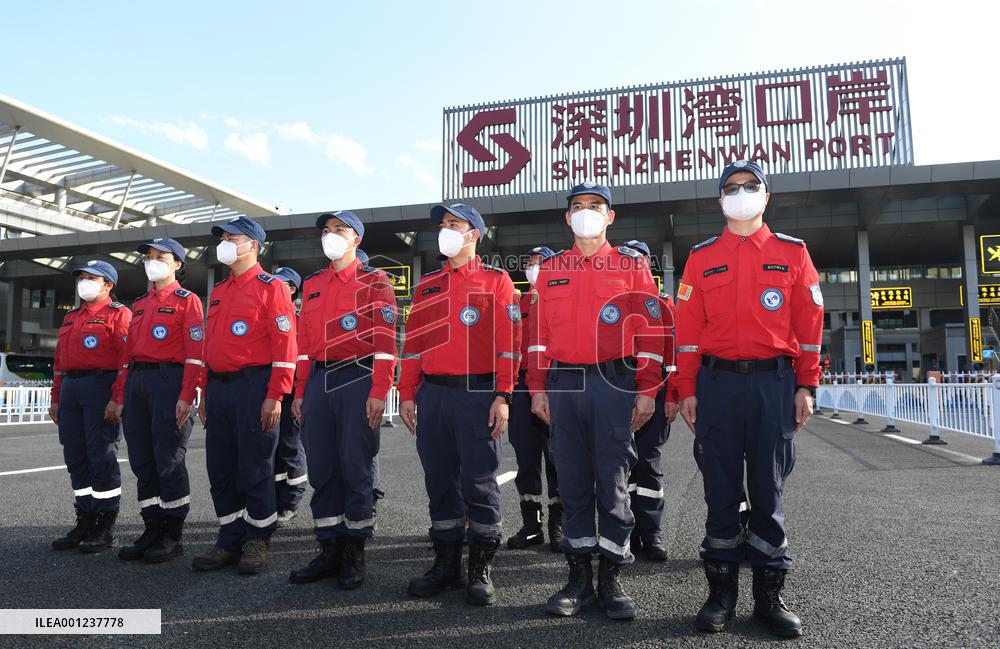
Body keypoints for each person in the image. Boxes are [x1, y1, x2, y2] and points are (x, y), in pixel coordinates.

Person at [674, 160, 823, 638]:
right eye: (732, 188)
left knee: (768, 490)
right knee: (719, 489)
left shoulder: (793, 253)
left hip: (772, 384)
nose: (741, 193)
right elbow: (687, 330)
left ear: (766, 195)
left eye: (750, 186)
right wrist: (687, 389)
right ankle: (720, 594)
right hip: (716, 385)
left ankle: (768, 598)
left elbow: (809, 325)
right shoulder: (701, 257)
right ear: (721, 200)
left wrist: (806, 385)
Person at [527, 182, 666, 620]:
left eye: (595, 205)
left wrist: (647, 389)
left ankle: (611, 576)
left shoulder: (631, 265)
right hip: (564, 383)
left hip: (614, 381)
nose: (586, 211)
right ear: (568, 217)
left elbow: (650, 332)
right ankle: (578, 578)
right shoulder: (551, 269)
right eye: (578, 206)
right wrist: (536, 388)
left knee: (612, 479)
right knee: (571, 480)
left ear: (610, 216)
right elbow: (537, 337)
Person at [398, 203, 519, 606]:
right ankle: (446, 565)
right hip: (433, 394)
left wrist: (503, 394)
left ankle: (480, 567)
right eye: (443, 224)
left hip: (477, 394)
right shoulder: (427, 285)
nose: (445, 230)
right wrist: (408, 393)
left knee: (479, 481)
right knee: (439, 481)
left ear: (474, 235)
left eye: (455, 224)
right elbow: (413, 346)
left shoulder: (497, 281)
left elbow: (509, 344)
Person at [288, 212, 396, 590]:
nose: (330, 236)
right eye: (326, 230)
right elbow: (304, 345)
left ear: (356, 240)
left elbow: (385, 342)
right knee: (322, 467)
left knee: (355, 465)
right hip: (319, 379)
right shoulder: (313, 283)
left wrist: (379, 391)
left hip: (357, 376)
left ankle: (354, 550)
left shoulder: (375, 280)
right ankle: (329, 547)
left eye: (339, 230)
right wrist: (300, 391)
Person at [191, 216, 297, 575]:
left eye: (231, 237)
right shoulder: (220, 290)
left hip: (254, 386)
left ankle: (257, 538)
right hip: (219, 387)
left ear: (252, 245)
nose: (223, 242)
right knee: (221, 467)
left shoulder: (272, 287)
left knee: (255, 466)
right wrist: (204, 391)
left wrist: (276, 394)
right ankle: (229, 537)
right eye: (222, 237)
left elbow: (285, 345)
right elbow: (209, 345)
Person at [115, 238, 203, 563]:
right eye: (149, 257)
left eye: (160, 257)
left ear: (177, 264)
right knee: (142, 460)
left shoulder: (188, 301)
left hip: (169, 381)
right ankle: (151, 528)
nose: (152, 261)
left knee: (168, 459)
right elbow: (126, 357)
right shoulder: (139, 304)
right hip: (138, 382)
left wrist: (187, 395)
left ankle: (171, 534)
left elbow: (195, 353)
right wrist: (121, 395)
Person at [49, 260, 132, 553]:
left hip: (101, 387)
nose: (83, 282)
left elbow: (125, 360)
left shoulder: (119, 314)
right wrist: (56, 398)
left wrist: (117, 398)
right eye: (81, 277)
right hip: (71, 389)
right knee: (76, 457)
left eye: (91, 278)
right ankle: (84, 519)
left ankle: (105, 525)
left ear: (108, 285)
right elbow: (59, 362)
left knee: (101, 456)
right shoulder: (71, 317)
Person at [620, 239, 678, 562]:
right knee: (619, 464)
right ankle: (624, 532)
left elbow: (673, 355)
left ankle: (651, 533)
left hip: (655, 392)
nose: (633, 263)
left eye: (638, 258)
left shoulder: (662, 303)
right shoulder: (612, 301)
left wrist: (673, 395)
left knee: (648, 463)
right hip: (618, 390)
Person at [506, 245, 562, 552]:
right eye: (530, 262)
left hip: (554, 385)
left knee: (558, 458)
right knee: (525, 459)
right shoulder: (518, 303)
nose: (533, 267)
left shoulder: (560, 300)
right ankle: (532, 526)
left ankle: (559, 525)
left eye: (540, 262)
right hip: (521, 388)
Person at [269, 266, 308, 527]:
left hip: (292, 390)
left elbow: (303, 356)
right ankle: (275, 499)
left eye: (281, 284)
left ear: (292, 289)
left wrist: (301, 393)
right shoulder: (269, 315)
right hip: (271, 389)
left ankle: (292, 500)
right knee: (272, 449)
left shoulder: (299, 317)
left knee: (291, 447)